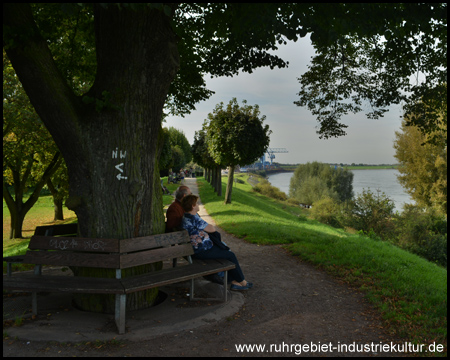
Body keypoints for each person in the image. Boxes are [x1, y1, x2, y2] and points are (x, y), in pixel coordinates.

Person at [180, 194, 253, 291]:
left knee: (226, 251)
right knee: (230, 255)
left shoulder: (187, 216)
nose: (198, 205)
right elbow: (211, 228)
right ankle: (242, 282)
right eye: (197, 203)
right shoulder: (193, 218)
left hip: (200, 248)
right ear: (193, 206)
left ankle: (235, 282)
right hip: (201, 251)